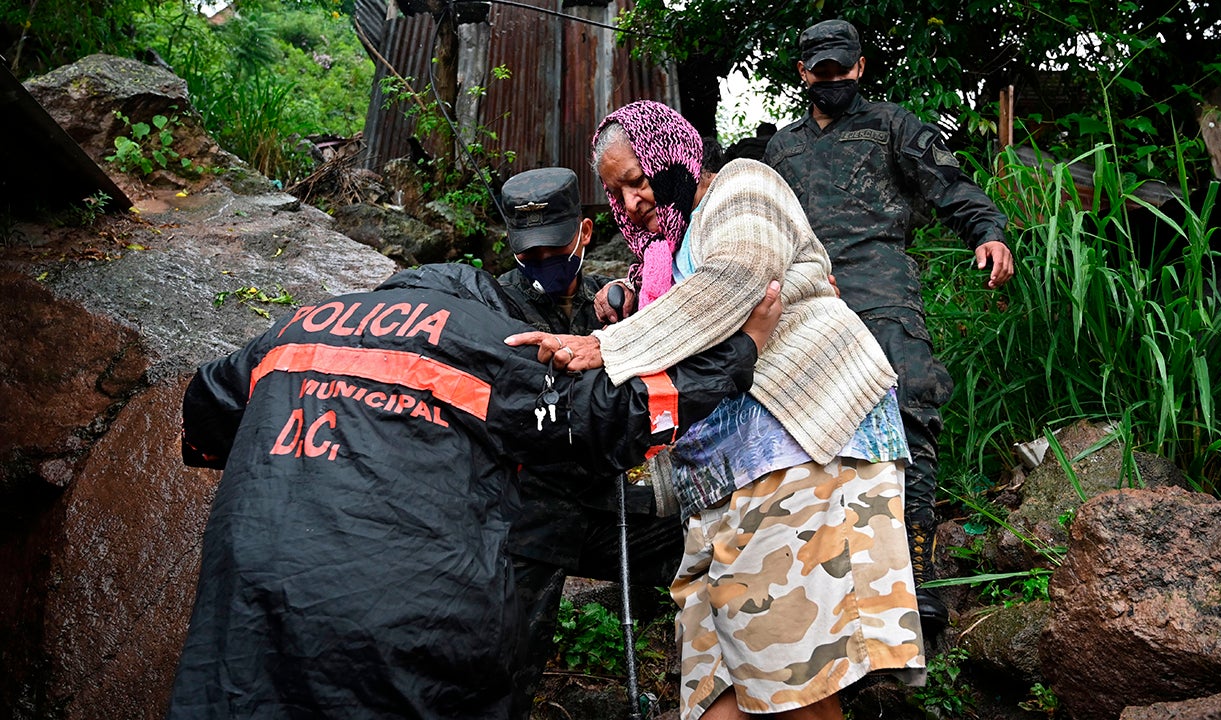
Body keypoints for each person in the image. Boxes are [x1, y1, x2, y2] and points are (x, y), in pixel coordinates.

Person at [167, 262, 781, 720]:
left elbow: (205, 411)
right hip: (407, 624)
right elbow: (599, 420)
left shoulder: (291, 330)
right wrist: (736, 355)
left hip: (252, 611)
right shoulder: (475, 337)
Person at [511, 100, 925, 720]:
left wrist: (607, 346)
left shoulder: (744, 186)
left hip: (805, 441)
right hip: (723, 479)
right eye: (613, 191)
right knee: (715, 692)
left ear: (672, 156)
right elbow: (684, 311)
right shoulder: (661, 252)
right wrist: (632, 299)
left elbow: (738, 281)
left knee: (794, 684)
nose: (629, 202)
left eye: (637, 179)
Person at [763, 18, 1016, 631]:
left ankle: (916, 565)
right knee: (806, 425)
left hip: (881, 284)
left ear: (860, 68)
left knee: (909, 400)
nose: (832, 81)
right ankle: (827, 579)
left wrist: (989, 233)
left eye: (841, 70)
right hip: (805, 295)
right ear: (803, 74)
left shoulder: (892, 126)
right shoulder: (781, 149)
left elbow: (950, 184)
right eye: (820, 73)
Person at [494, 167, 686, 720]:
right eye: (530, 255)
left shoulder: (612, 302)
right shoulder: (494, 308)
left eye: (555, 249)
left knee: (705, 546)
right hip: (530, 511)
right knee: (509, 661)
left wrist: (632, 314)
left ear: (583, 232)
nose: (544, 265)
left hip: (609, 502)